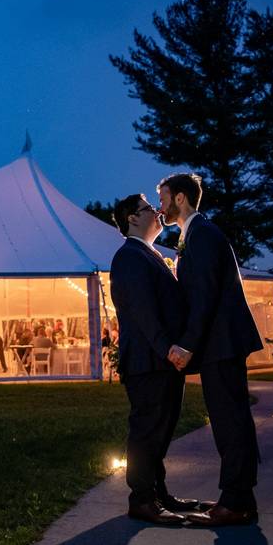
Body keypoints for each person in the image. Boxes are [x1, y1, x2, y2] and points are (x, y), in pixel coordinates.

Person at [159, 173, 262, 527]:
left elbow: (203, 295)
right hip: (221, 343)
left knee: (229, 419)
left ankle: (235, 501)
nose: (161, 207)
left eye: (164, 198)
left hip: (222, 343)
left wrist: (187, 344)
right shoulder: (196, 235)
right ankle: (238, 497)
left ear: (181, 198)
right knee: (229, 418)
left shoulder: (202, 235)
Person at [110, 193, 199, 525]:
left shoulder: (151, 255)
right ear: (133, 218)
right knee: (147, 428)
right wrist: (168, 349)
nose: (158, 212)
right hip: (148, 361)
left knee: (163, 428)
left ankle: (159, 493)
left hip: (164, 361)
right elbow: (142, 310)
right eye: (149, 208)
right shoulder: (129, 257)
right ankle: (142, 499)